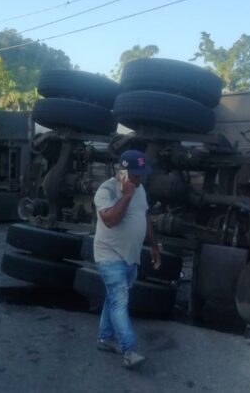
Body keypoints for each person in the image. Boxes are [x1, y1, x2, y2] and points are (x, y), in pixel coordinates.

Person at [92, 150, 161, 369]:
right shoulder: (106, 190)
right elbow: (110, 220)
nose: (139, 179)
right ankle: (128, 350)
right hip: (109, 255)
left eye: (142, 174)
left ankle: (104, 339)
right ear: (122, 171)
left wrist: (153, 244)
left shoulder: (140, 190)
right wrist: (127, 194)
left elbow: (144, 216)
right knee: (120, 301)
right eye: (135, 175)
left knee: (113, 298)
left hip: (130, 256)